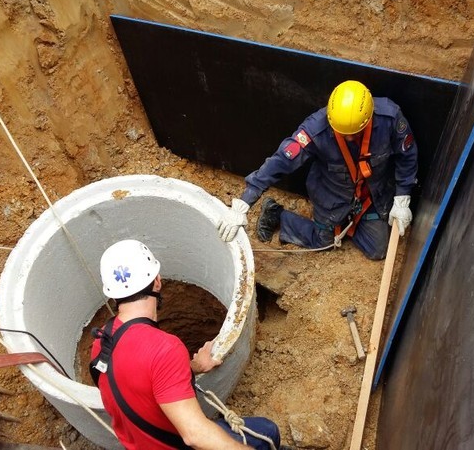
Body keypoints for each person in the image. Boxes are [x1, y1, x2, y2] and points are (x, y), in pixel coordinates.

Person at [91, 239, 285, 449]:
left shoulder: (101, 343)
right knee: (267, 431)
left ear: (112, 294)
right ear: (157, 281)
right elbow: (195, 434)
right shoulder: (165, 348)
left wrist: (193, 367)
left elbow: (143, 379)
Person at [217, 80, 417, 260]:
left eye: (354, 133)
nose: (348, 138)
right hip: (332, 196)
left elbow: (407, 155)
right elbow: (280, 161)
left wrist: (402, 197)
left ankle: (348, 223)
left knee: (378, 249)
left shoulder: (389, 118)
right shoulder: (315, 130)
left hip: (370, 196)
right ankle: (278, 215)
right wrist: (244, 203)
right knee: (323, 243)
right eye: (342, 133)